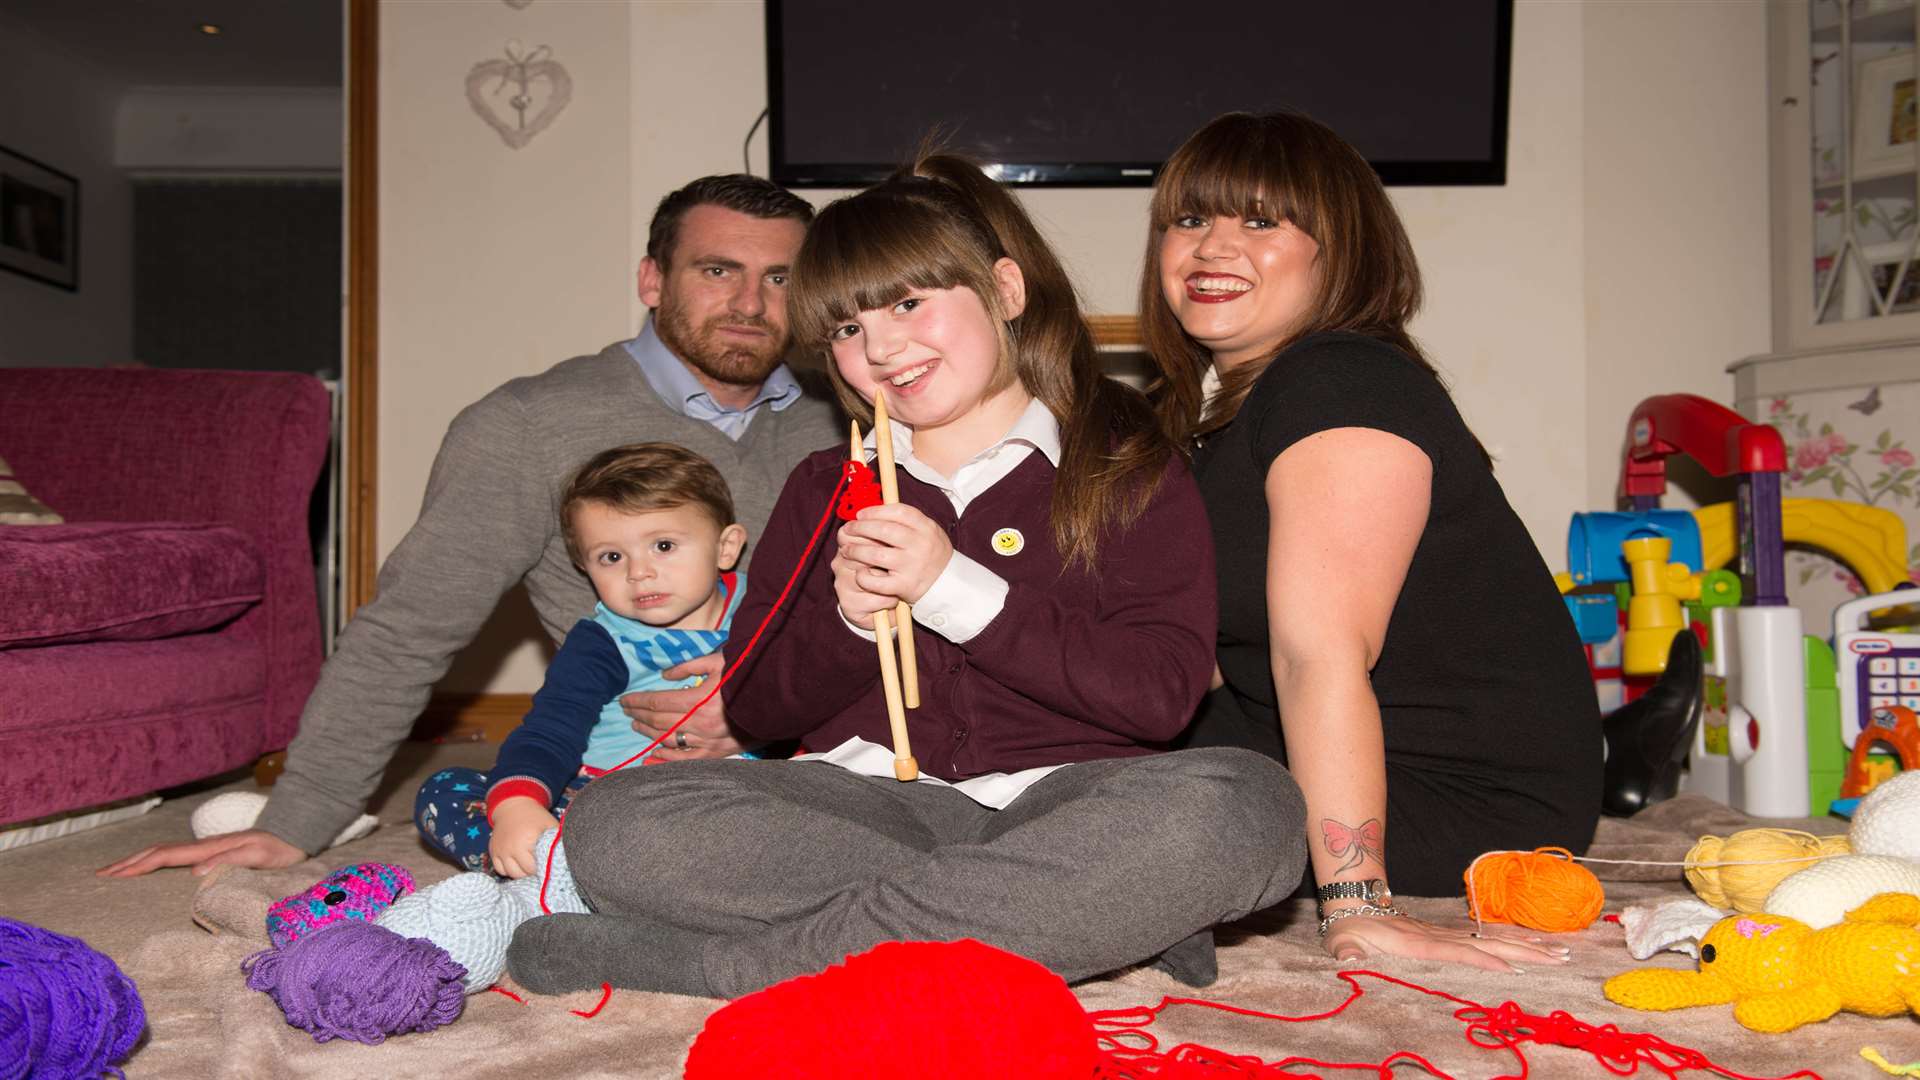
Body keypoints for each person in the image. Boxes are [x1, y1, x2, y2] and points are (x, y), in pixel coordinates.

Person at [502, 154, 1308, 999]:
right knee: (615, 825)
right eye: (845, 330)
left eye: (907, 303)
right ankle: (1082, 920)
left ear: (1005, 288)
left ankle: (729, 968)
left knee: (1247, 808)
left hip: (1072, 800)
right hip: (861, 800)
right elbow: (756, 707)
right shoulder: (825, 485)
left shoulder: (1127, 466)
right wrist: (850, 624)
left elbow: (1159, 696)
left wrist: (953, 590)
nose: (880, 348)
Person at [101, 174, 842, 879]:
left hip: (815, 750)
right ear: (652, 280)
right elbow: (412, 624)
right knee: (468, 798)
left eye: (779, 278)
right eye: (717, 270)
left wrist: (764, 702)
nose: (750, 301)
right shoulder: (526, 424)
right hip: (626, 762)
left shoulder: (850, 418)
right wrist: (300, 816)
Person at [1142, 112, 1601, 971]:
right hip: (1341, 749)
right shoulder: (1225, 419)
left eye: (1262, 220)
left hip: (1459, 806)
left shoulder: (1342, 381)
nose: (1211, 246)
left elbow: (1320, 654)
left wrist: (1356, 903)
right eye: (1189, 219)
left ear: (1341, 247)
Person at [415, 442, 750, 877]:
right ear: (583, 568)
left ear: (726, 548)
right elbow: (551, 731)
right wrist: (518, 804)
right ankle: (554, 872)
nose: (638, 572)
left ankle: (623, 877)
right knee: (444, 791)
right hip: (604, 794)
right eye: (611, 557)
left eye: (663, 545)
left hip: (734, 797)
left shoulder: (768, 612)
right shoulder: (601, 642)